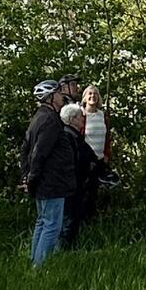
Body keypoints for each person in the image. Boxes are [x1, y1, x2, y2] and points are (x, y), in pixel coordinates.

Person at [21, 79, 75, 265]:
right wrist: (32, 178)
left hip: (42, 180)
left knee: (42, 222)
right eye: (60, 94)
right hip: (51, 181)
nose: (63, 97)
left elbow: (25, 149)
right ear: (51, 97)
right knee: (52, 225)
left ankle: (34, 260)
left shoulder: (38, 118)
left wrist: (26, 176)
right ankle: (40, 267)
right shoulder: (51, 120)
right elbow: (39, 152)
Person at [59, 102, 99, 246]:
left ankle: (68, 247)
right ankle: (62, 250)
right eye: (81, 117)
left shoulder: (75, 135)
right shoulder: (68, 136)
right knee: (69, 218)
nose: (83, 119)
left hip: (78, 183)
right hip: (72, 184)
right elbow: (76, 161)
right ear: (72, 119)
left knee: (74, 217)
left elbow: (91, 156)